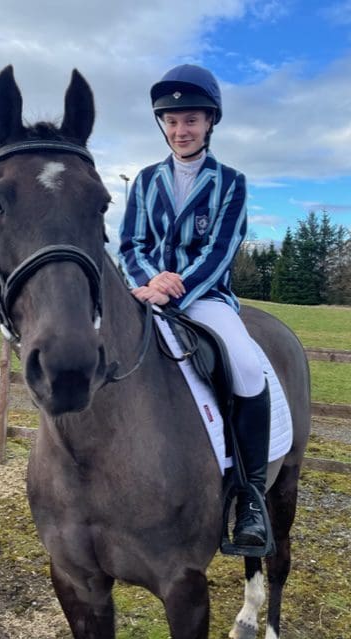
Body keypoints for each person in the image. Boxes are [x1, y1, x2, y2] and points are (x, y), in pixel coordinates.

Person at [118, 64, 271, 552]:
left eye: (190, 120)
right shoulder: (144, 181)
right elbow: (131, 245)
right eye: (170, 120)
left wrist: (173, 290)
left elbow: (221, 251)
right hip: (146, 294)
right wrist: (148, 284)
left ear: (209, 122)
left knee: (247, 367)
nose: (179, 130)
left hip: (204, 298)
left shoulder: (231, 182)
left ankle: (251, 495)